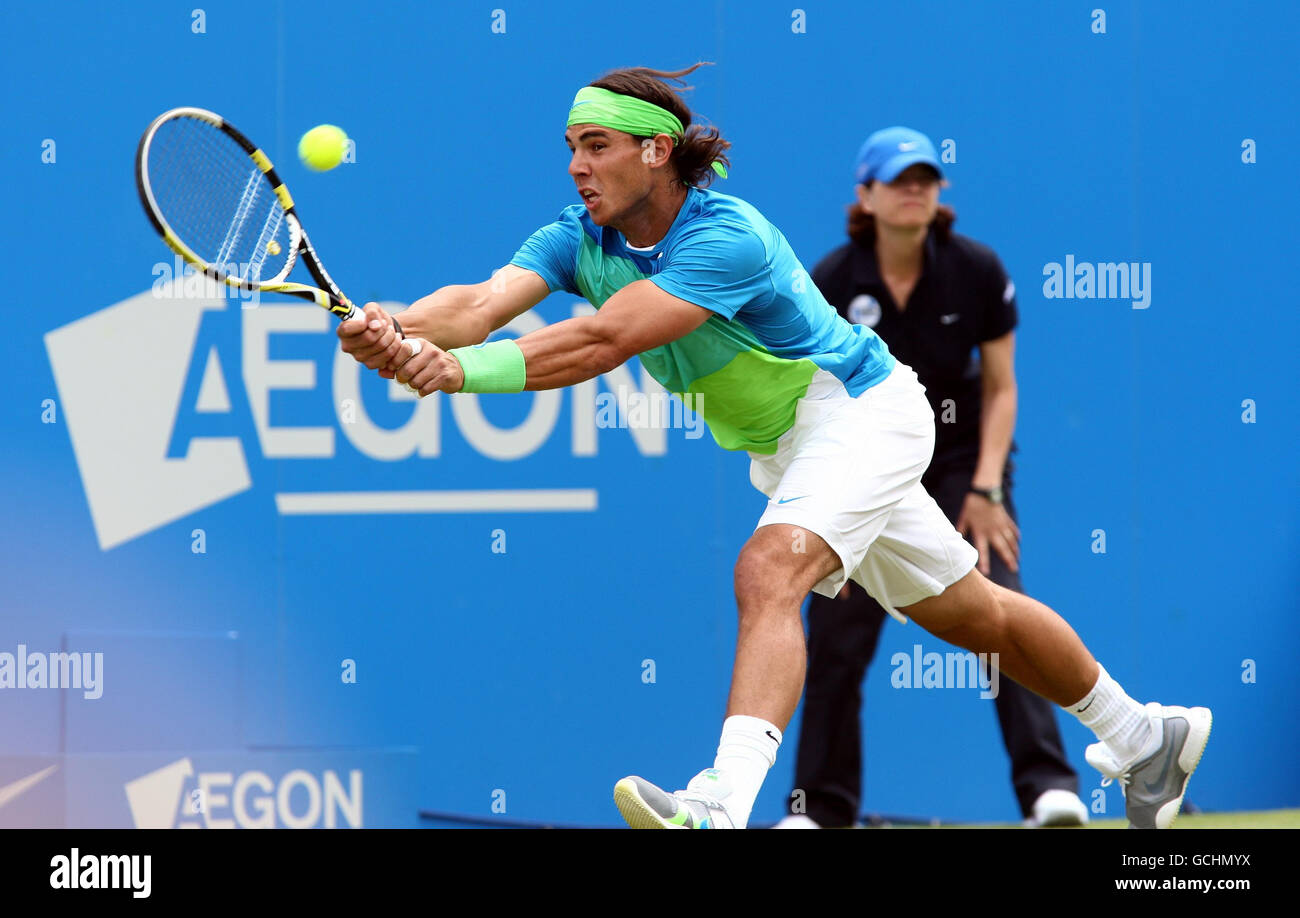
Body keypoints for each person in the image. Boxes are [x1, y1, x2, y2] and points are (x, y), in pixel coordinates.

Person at [336, 64, 1211, 830]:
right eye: (570, 145)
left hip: (861, 411)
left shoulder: (727, 235)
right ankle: (1145, 736)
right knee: (972, 614)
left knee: (768, 569)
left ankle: (720, 805)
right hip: (793, 446)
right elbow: (483, 302)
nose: (575, 165)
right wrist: (397, 322)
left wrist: (452, 374)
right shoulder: (576, 234)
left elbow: (607, 340)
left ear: (655, 151)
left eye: (596, 145)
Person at [777, 127, 1087, 829]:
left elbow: (1002, 390)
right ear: (866, 196)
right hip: (863, 466)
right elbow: (811, 404)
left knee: (997, 607)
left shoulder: (976, 268)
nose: (916, 189)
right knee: (835, 626)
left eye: (926, 178)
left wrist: (985, 491)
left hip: (959, 466)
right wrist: (830, 521)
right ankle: (819, 810)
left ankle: (1049, 790)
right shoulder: (830, 280)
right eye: (898, 179)